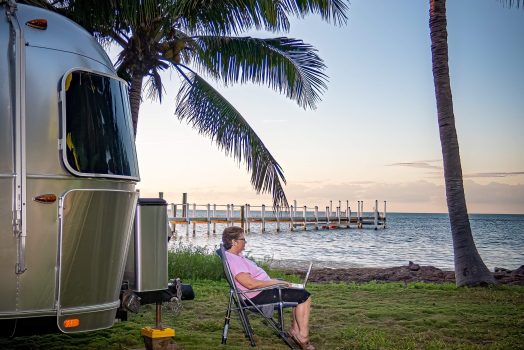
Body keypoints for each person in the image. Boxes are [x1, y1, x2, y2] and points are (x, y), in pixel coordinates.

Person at [222, 226, 315, 350]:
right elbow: (250, 284)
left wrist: (275, 283)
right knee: (304, 296)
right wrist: (273, 282)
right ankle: (302, 337)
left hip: (259, 293)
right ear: (234, 242)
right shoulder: (234, 260)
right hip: (256, 296)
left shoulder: (234, 256)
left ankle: (295, 330)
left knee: (298, 292)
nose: (246, 242)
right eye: (243, 239)